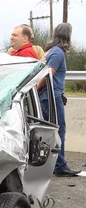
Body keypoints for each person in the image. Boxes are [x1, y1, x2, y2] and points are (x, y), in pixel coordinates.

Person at [36, 23, 79, 177]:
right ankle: (59, 165)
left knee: (50, 130)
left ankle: (51, 164)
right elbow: (48, 74)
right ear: (67, 36)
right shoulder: (58, 53)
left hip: (49, 96)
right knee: (58, 130)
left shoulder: (51, 51)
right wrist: (36, 88)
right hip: (51, 97)